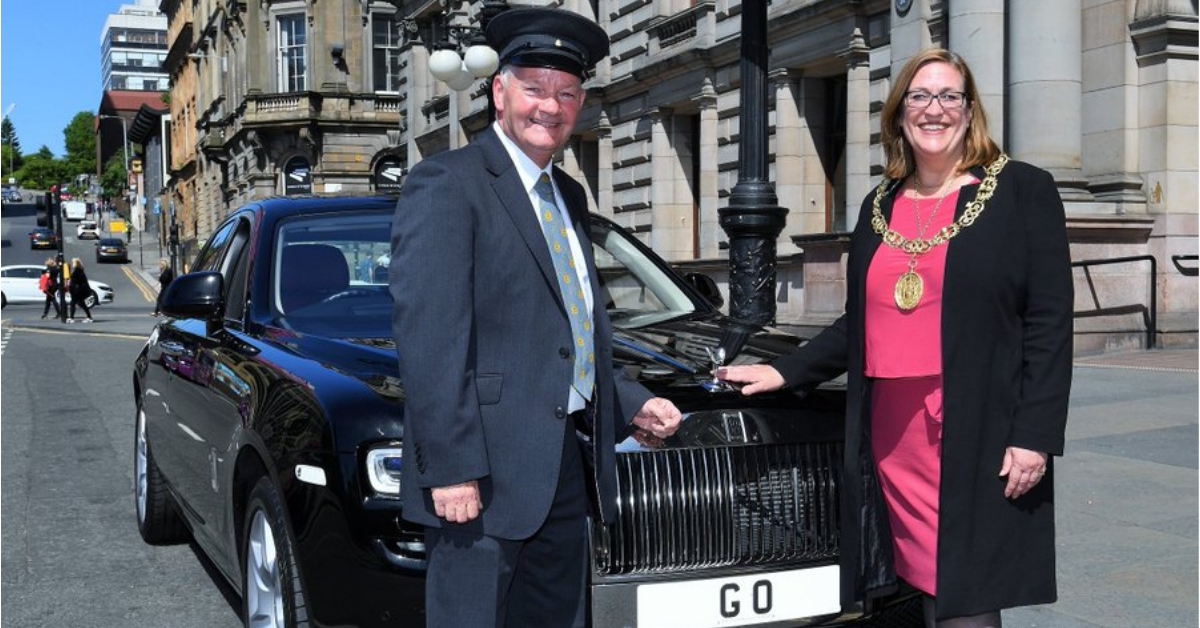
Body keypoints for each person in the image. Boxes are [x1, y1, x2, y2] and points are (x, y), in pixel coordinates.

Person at [718, 49, 1073, 628]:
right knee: (917, 585)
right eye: (919, 97)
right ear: (899, 112)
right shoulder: (879, 204)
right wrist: (784, 371)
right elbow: (859, 323)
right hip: (891, 436)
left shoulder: (1021, 191)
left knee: (968, 593)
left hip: (976, 428)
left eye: (948, 96)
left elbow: (1050, 324)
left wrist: (1034, 436)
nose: (934, 110)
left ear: (969, 109)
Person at [388, 8, 682, 627]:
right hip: (480, 480)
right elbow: (431, 339)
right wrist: (453, 469)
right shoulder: (447, 183)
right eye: (534, 89)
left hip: (563, 471)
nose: (550, 107)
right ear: (499, 92)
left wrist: (627, 401)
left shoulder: (567, 195)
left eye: (567, 93)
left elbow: (562, 329)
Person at [67, 258, 95, 323]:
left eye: (73, 262)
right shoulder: (79, 270)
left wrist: (72, 287)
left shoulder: (77, 271)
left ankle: (71, 318)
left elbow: (76, 282)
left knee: (73, 303)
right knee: (81, 304)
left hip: (78, 291)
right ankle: (89, 317)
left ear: (76, 263)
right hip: (80, 290)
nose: (72, 263)